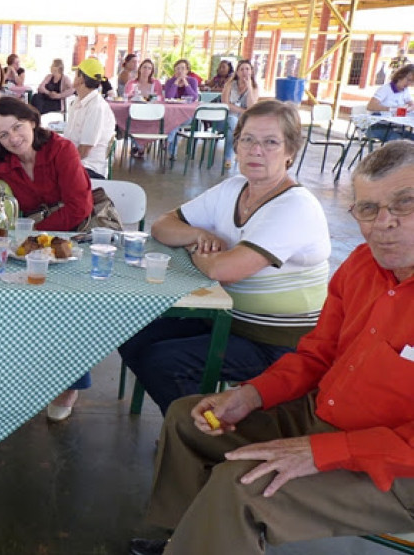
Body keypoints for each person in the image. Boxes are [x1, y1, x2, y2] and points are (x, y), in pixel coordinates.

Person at [128, 140, 414, 555]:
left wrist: (325, 451)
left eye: (405, 204)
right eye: (368, 209)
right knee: (186, 419)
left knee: (241, 486)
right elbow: (317, 354)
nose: (384, 223)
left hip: (394, 467)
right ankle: (187, 539)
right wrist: (251, 394)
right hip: (323, 414)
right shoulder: (360, 265)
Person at [118, 100, 330, 417]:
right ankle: (191, 424)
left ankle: (204, 438)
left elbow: (226, 270)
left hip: (281, 345)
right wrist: (199, 237)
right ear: (237, 145)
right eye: (247, 140)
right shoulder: (233, 188)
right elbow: (163, 225)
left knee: (162, 360)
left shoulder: (295, 206)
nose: (256, 150)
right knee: (128, 331)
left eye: (271, 142)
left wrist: (195, 248)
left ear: (290, 151)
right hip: (226, 321)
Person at [0, 97, 94, 420]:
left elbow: (79, 209)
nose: (13, 138)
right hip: (30, 249)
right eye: (3, 135)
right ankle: (20, 376)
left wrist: (32, 236)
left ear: (32, 121)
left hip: (74, 241)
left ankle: (70, 383)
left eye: (17, 127)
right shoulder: (1, 164)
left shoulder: (62, 150)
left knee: (70, 307)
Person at [65, 58, 116, 179]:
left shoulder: (96, 107)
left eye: (76, 73)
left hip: (88, 168)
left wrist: (60, 162)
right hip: (77, 163)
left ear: (81, 78)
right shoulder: (78, 101)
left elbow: (84, 150)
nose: (74, 76)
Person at [220, 59, 259, 167]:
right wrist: (243, 111)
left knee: (230, 132)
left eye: (247, 69)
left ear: (251, 71)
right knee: (233, 121)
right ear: (237, 72)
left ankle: (228, 159)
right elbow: (225, 103)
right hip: (226, 118)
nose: (244, 72)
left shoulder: (254, 87)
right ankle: (238, 146)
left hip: (243, 121)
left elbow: (252, 107)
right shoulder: (230, 85)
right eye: (241, 69)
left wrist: (249, 88)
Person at [163, 59, 201, 160]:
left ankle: (168, 141)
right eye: (178, 68)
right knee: (175, 122)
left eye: (183, 68)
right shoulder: (170, 82)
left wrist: (186, 83)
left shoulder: (193, 81)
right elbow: (169, 97)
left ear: (187, 70)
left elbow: (193, 97)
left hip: (187, 115)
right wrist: (175, 83)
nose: (180, 71)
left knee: (175, 123)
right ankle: (172, 153)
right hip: (171, 114)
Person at [365, 63, 414, 142]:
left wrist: (409, 108)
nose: (409, 84)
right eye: (408, 80)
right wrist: (391, 109)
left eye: (412, 82)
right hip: (378, 127)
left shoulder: (405, 90)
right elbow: (370, 106)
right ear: (400, 76)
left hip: (395, 127)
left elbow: (411, 103)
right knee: (400, 143)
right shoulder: (385, 89)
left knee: (410, 140)